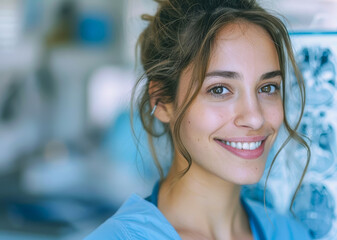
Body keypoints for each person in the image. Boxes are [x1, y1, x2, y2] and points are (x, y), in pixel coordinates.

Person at [85, 0, 310, 239]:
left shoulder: (291, 234)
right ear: (161, 101)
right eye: (219, 90)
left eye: (267, 88)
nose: (255, 118)